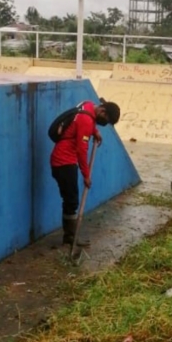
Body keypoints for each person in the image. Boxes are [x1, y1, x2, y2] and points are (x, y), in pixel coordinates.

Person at [50, 98, 121, 246]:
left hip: (61, 159)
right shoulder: (86, 121)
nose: (104, 123)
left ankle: (70, 236)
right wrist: (86, 175)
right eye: (106, 120)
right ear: (102, 111)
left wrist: (94, 131)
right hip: (64, 162)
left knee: (70, 199)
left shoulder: (87, 105)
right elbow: (82, 150)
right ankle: (70, 237)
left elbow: (81, 122)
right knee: (71, 201)